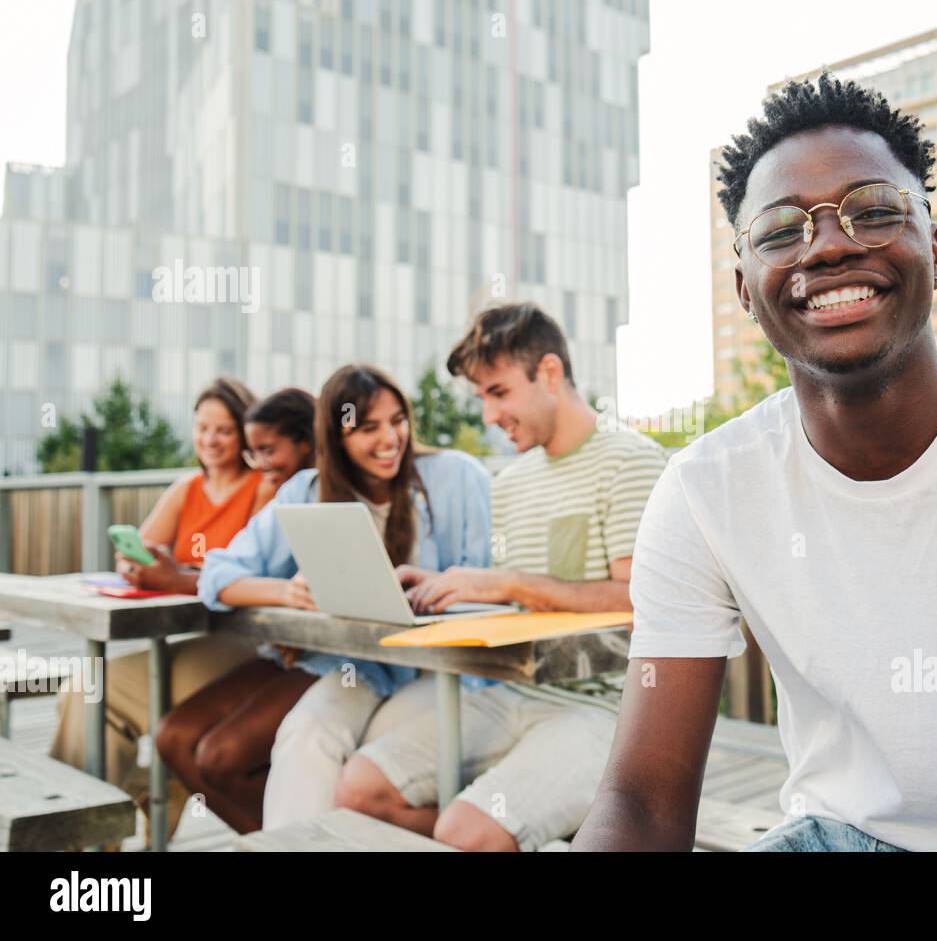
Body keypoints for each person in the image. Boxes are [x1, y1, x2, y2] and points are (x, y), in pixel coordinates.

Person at [572, 72, 937, 853]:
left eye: (876, 211)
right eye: (781, 231)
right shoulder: (702, 490)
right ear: (746, 291)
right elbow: (642, 804)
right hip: (828, 837)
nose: (830, 243)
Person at [331, 303, 668, 852]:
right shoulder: (509, 482)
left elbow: (638, 603)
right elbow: (519, 603)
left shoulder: (631, 462)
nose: (488, 415)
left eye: (499, 392)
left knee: (464, 831)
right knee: (357, 788)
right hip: (512, 693)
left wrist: (509, 582)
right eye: (481, 397)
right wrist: (446, 585)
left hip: (604, 710)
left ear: (551, 374)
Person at [195, 364, 492, 832]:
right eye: (368, 428)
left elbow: (491, 585)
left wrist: (437, 588)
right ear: (335, 437)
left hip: (445, 670)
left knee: (369, 755)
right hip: (364, 669)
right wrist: (286, 591)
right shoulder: (307, 492)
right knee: (304, 733)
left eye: (397, 421)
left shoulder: (455, 477)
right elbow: (218, 574)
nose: (390, 438)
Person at [50, 377, 271, 834]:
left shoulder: (261, 490)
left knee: (92, 693)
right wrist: (137, 566)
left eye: (223, 430)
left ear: (246, 434)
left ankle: (87, 828)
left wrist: (183, 575)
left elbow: (256, 575)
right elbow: (140, 550)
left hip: (239, 642)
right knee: (83, 693)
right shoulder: (186, 489)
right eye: (202, 427)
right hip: (181, 635)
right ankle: (91, 828)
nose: (210, 440)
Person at [154, 388, 320, 834]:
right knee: (171, 738)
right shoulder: (287, 494)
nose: (260, 463)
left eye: (267, 450)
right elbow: (219, 574)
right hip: (279, 650)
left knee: (219, 756)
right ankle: (273, 839)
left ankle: (292, 840)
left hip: (320, 660)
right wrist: (283, 592)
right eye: (254, 452)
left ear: (306, 441)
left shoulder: (315, 491)